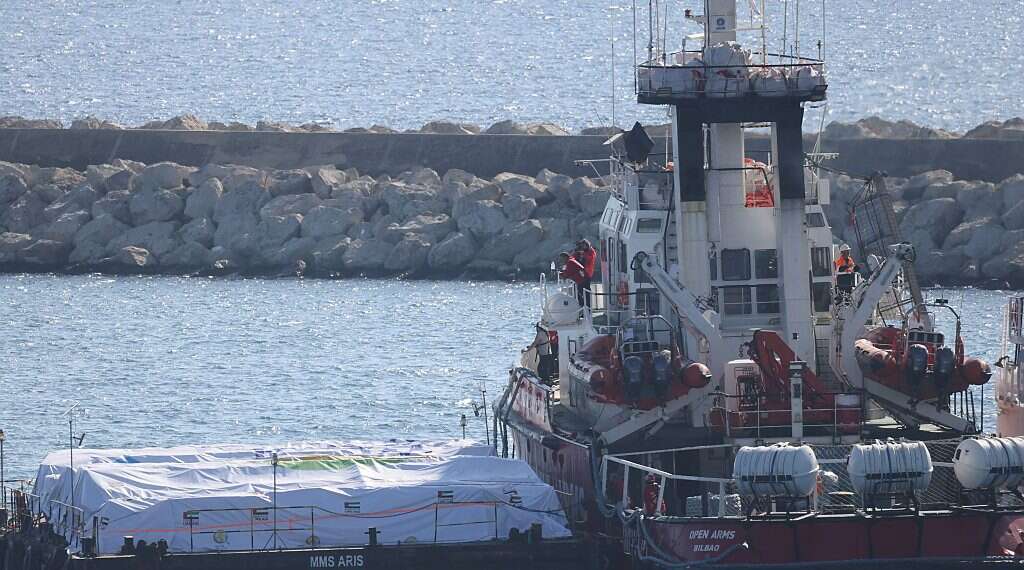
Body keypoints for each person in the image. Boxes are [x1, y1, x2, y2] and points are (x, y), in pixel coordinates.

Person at [573, 239, 597, 308]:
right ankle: (582, 306)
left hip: (587, 274)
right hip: (582, 273)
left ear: (587, 245)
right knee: (579, 290)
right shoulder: (585, 252)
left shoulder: (591, 252)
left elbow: (589, 258)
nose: (582, 247)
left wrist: (582, 253)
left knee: (584, 291)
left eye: (583, 246)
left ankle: (586, 307)